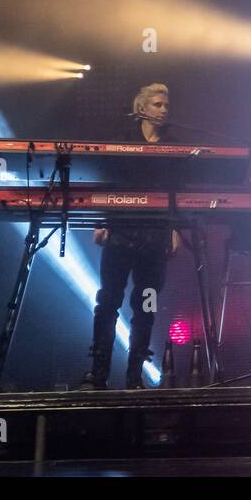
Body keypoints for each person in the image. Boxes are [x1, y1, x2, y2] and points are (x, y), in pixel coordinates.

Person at [78, 83, 182, 390]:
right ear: (142, 108)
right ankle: (98, 373)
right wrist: (101, 221)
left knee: (146, 304)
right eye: (158, 105)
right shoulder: (121, 141)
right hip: (121, 230)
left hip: (155, 234)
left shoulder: (174, 145)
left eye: (167, 105)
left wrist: (175, 229)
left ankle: (135, 374)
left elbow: (177, 193)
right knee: (108, 301)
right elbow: (104, 180)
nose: (164, 110)